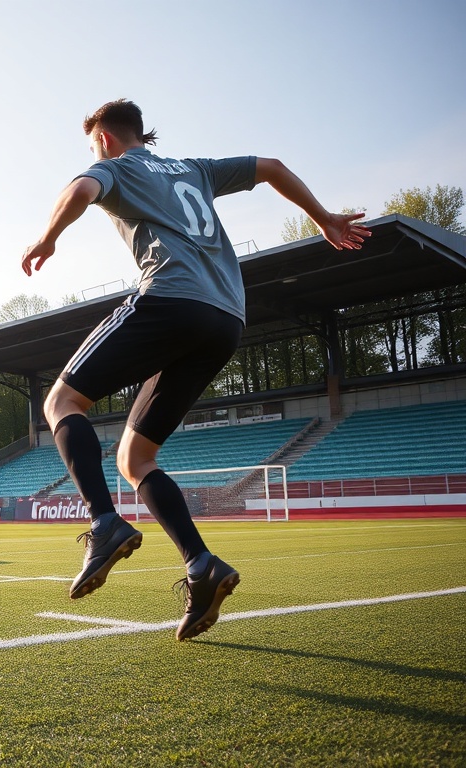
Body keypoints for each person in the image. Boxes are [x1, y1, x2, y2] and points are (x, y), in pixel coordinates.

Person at [21, 98, 370, 641]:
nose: (95, 155)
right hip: (226, 317)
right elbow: (271, 167)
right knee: (136, 458)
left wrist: (49, 237)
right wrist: (323, 218)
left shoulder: (114, 167)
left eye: (93, 146)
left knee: (61, 402)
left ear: (106, 140)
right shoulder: (195, 170)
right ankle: (201, 566)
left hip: (170, 297)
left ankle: (103, 521)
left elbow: (80, 191)